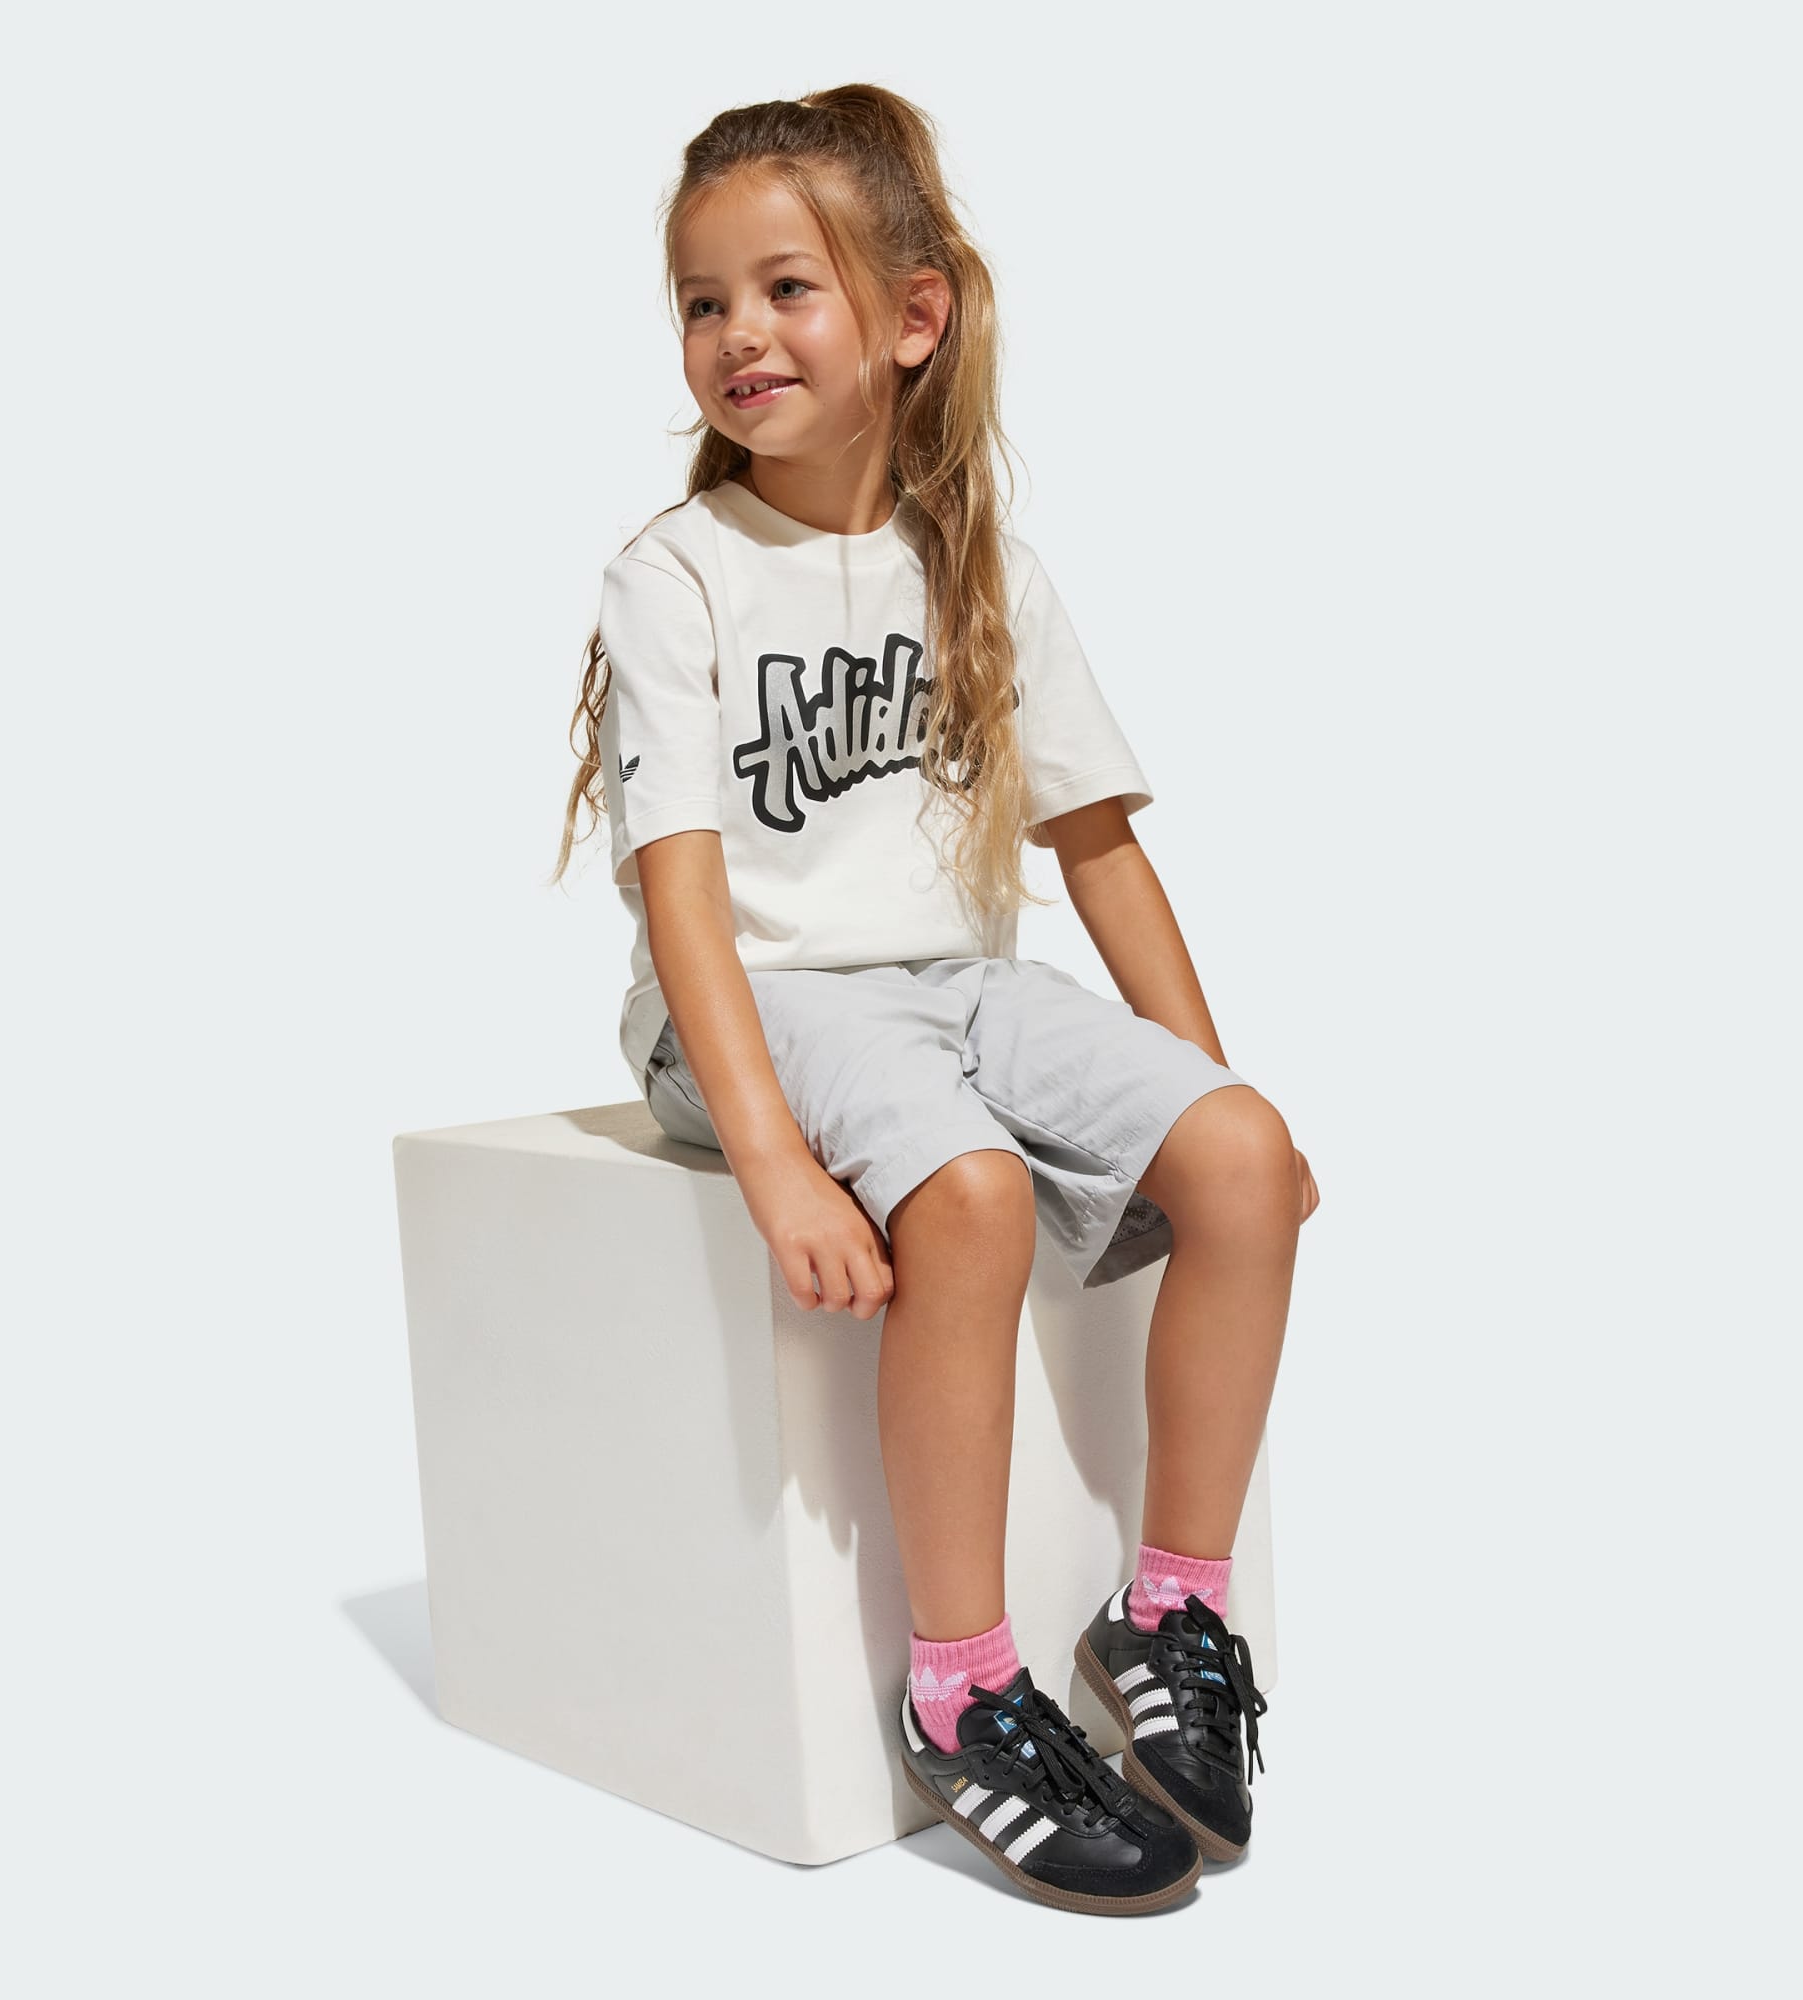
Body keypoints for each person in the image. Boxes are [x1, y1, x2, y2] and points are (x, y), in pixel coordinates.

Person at [550, 83, 1319, 1916]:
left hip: (958, 986)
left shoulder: (982, 570)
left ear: (912, 317)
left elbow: (1099, 850)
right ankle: (963, 1689)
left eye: (784, 289)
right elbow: (684, 898)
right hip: (753, 999)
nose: (736, 334)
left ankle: (1173, 1610)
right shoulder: (676, 577)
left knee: (1246, 1157)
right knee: (967, 1196)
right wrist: (774, 1164)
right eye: (703, 301)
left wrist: (1205, 1101)